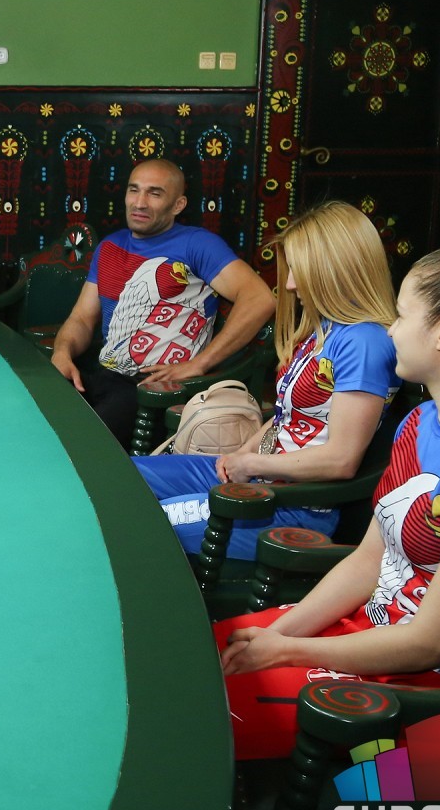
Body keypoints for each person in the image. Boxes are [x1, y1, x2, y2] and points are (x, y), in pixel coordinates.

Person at [216, 232, 440, 761]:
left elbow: (429, 643)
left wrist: (286, 651)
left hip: (431, 689)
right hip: (371, 631)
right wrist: (277, 636)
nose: (391, 330)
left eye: (401, 316)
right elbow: (368, 561)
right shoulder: (419, 422)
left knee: (203, 711)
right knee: (199, 655)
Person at [133, 200, 402, 557]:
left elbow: (342, 459)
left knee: (143, 523)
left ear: (333, 270)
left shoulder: (363, 342)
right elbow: (286, 419)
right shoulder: (327, 328)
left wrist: (251, 463)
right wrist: (240, 455)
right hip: (260, 480)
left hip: (292, 505)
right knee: (121, 479)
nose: (289, 284)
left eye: (299, 271)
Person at [50, 159, 274, 446]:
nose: (139, 202)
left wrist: (200, 364)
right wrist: (62, 352)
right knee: (38, 421)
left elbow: (260, 299)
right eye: (134, 190)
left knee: (79, 444)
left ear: (178, 205)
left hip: (153, 390)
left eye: (154, 193)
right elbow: (82, 318)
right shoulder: (110, 246)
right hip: (103, 375)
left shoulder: (197, 244)